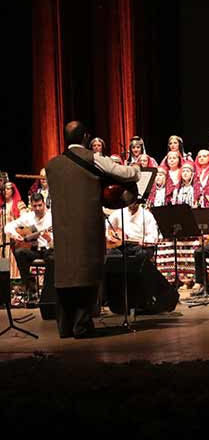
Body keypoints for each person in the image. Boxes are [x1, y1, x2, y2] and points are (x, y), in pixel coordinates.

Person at [45, 120, 140, 338]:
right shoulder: (93, 158)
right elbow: (125, 174)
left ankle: (65, 328)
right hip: (86, 227)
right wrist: (136, 169)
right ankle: (82, 326)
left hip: (61, 228)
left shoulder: (51, 165)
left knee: (66, 275)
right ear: (85, 137)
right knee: (87, 273)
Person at [5, 192, 53, 302]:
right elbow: (8, 226)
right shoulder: (29, 217)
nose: (37, 208)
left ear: (44, 204)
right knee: (19, 252)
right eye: (34, 206)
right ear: (31, 205)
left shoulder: (51, 218)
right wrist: (16, 235)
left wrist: (49, 239)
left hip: (47, 249)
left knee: (52, 257)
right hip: (34, 250)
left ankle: (48, 292)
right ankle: (31, 288)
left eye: (40, 205)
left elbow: (55, 242)